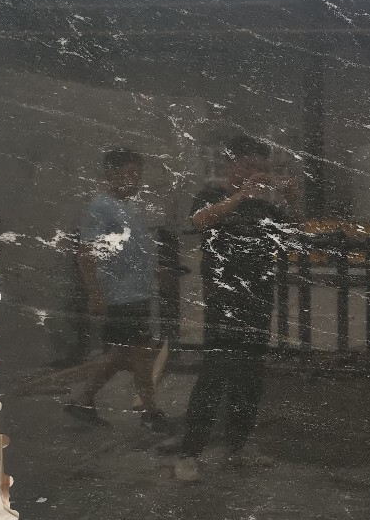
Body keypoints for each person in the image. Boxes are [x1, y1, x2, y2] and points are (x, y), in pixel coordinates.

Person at [174, 135, 301, 482]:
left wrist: (291, 197)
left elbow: (293, 232)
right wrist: (239, 196)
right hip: (223, 301)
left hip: (258, 299)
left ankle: (237, 447)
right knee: (213, 376)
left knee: (250, 378)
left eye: (261, 168)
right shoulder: (211, 195)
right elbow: (198, 222)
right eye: (249, 165)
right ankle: (189, 454)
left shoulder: (263, 207)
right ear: (232, 164)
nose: (255, 173)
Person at [66, 149, 165, 428]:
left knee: (124, 352)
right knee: (141, 351)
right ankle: (150, 413)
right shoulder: (101, 207)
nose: (135, 180)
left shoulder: (128, 207)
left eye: (138, 174)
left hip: (137, 292)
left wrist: (154, 272)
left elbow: (133, 250)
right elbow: (86, 253)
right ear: (111, 174)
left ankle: (83, 400)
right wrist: (95, 293)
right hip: (119, 294)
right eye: (129, 173)